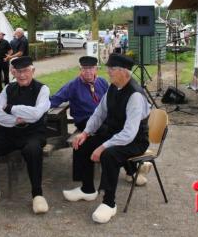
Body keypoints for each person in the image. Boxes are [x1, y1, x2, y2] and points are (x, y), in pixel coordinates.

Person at [63, 54, 150, 224]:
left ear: (125, 73)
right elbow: (99, 113)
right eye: (109, 68)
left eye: (112, 69)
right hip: (115, 134)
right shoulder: (113, 87)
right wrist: (85, 133)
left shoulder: (135, 96)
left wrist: (103, 147)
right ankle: (87, 189)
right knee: (82, 144)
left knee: (109, 155)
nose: (108, 72)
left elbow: (130, 133)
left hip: (135, 141)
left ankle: (109, 203)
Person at [0, 56, 50, 214]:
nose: (22, 75)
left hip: (33, 133)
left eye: (26, 71)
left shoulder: (43, 89)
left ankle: (37, 195)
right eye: (19, 72)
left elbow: (36, 114)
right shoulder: (8, 88)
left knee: (32, 150)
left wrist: (10, 108)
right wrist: (17, 119)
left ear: (33, 71)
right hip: (8, 132)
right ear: (14, 72)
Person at [50, 56, 108, 132]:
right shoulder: (73, 85)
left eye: (90, 68)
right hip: (84, 120)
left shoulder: (102, 82)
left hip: (102, 117)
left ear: (96, 69)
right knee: (106, 130)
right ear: (80, 70)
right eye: (84, 68)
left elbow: (111, 99)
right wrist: (38, 106)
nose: (87, 71)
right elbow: (56, 99)